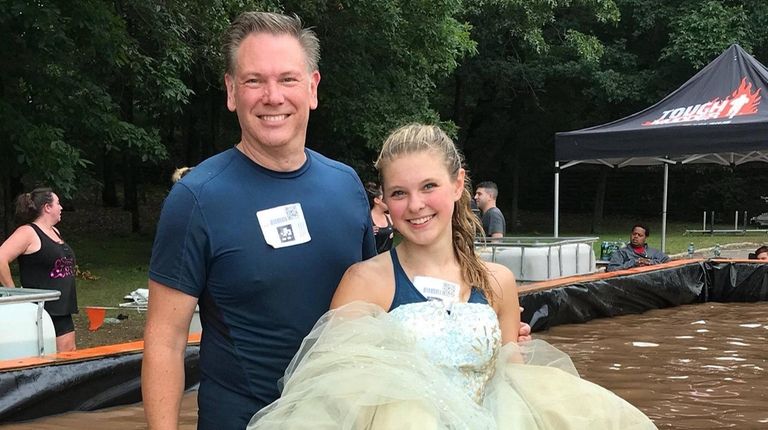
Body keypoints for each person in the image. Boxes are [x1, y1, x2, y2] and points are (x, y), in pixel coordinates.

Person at [142, 13, 531, 429]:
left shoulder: (344, 185)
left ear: (312, 88)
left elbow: (383, 302)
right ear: (231, 91)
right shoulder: (197, 198)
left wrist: (477, 338)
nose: (273, 96)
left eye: (288, 79)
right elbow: (165, 341)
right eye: (254, 80)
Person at [247, 123, 656, 429]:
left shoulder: (498, 282)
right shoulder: (366, 281)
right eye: (399, 193)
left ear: (458, 183)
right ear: (385, 201)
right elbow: (330, 394)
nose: (415, 205)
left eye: (429, 186)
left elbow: (509, 368)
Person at [0, 188, 78, 352]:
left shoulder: (54, 231)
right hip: (41, 312)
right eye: (57, 203)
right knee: (47, 360)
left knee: (69, 356)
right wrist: (13, 292)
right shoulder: (28, 232)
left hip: (63, 307)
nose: (61, 207)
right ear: (47, 207)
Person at [365, 181, 394, 253]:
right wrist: (366, 233)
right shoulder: (367, 220)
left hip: (388, 260)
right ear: (377, 200)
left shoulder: (390, 218)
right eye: (384, 198)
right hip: (371, 261)